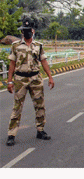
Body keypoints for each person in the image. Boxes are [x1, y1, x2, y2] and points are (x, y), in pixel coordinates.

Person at [6, 17, 55, 146]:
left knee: (40, 105)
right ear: (22, 32)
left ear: (33, 31)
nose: (26, 33)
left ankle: (40, 130)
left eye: (28, 30)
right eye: (24, 30)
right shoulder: (15, 46)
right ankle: (11, 134)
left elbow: (43, 61)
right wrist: (9, 81)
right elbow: (12, 63)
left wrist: (50, 76)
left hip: (35, 78)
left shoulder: (38, 46)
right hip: (20, 79)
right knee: (17, 107)